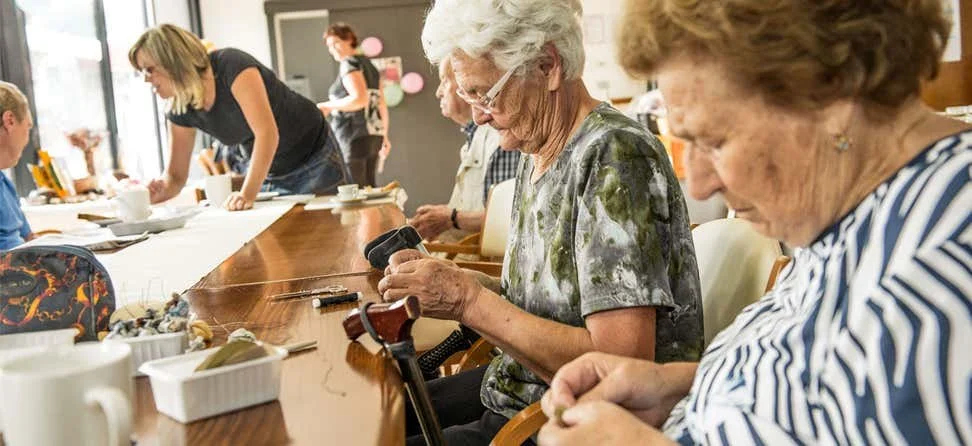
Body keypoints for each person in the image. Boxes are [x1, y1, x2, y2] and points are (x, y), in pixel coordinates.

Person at [537, 0, 972, 445]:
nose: (701, 185)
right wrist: (679, 385)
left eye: (715, 141)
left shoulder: (944, 265)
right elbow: (819, 391)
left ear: (831, 93)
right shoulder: (854, 204)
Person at [378, 1, 703, 444]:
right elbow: (544, 306)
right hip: (516, 385)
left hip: (565, 418)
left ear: (548, 66)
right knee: (374, 417)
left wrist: (469, 301)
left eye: (484, 93)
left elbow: (620, 363)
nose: (477, 115)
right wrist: (457, 282)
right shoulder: (537, 151)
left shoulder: (614, 155)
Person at [129, 24, 350, 211]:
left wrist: (246, 194)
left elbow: (266, 133)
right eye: (141, 72)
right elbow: (175, 177)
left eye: (149, 69)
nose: (147, 80)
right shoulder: (179, 109)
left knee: (332, 232)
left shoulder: (230, 65)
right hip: (271, 172)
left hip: (314, 154)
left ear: (173, 60)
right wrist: (155, 194)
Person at [410, 58, 521, 242]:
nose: (438, 92)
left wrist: (451, 218)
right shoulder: (476, 137)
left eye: (445, 81)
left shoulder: (502, 140)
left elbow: (507, 219)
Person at [317, 23, 390, 187]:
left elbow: (359, 99)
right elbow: (381, 104)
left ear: (349, 39)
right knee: (369, 190)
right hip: (373, 136)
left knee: (356, 193)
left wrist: (327, 106)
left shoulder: (348, 64)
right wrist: (384, 135)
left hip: (354, 136)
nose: (332, 49)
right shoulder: (370, 66)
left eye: (336, 43)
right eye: (329, 45)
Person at [0, 82, 33, 250]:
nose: (27, 140)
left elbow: (29, 238)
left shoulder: (4, 182)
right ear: (10, 121)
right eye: (27, 127)